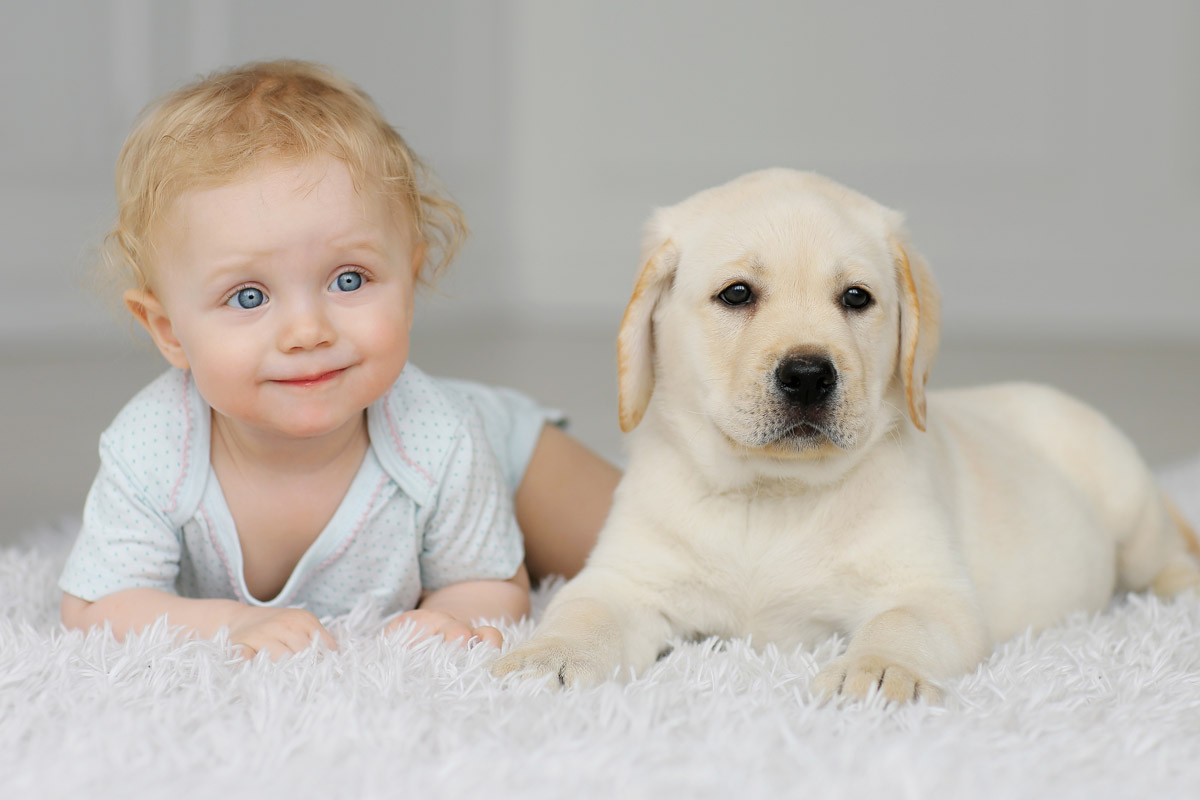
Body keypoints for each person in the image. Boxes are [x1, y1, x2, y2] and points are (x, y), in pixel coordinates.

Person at [58, 60, 619, 660]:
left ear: (410, 278)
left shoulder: (443, 436)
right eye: (249, 296)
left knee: (669, 557)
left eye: (349, 280)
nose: (307, 331)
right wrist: (228, 623)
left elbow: (486, 584)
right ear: (168, 332)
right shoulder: (153, 448)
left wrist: (452, 613)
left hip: (511, 458)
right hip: (455, 484)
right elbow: (96, 604)